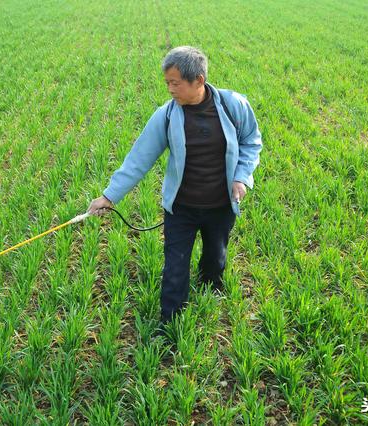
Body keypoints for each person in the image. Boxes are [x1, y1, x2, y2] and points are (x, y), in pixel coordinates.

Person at [87, 46, 262, 331]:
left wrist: (241, 177)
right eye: (167, 82)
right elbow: (138, 159)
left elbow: (251, 142)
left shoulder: (233, 106)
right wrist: (109, 196)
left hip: (221, 205)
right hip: (181, 208)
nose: (170, 89)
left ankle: (209, 294)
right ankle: (170, 325)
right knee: (175, 267)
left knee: (215, 257)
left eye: (175, 83)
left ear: (199, 81)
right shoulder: (166, 116)